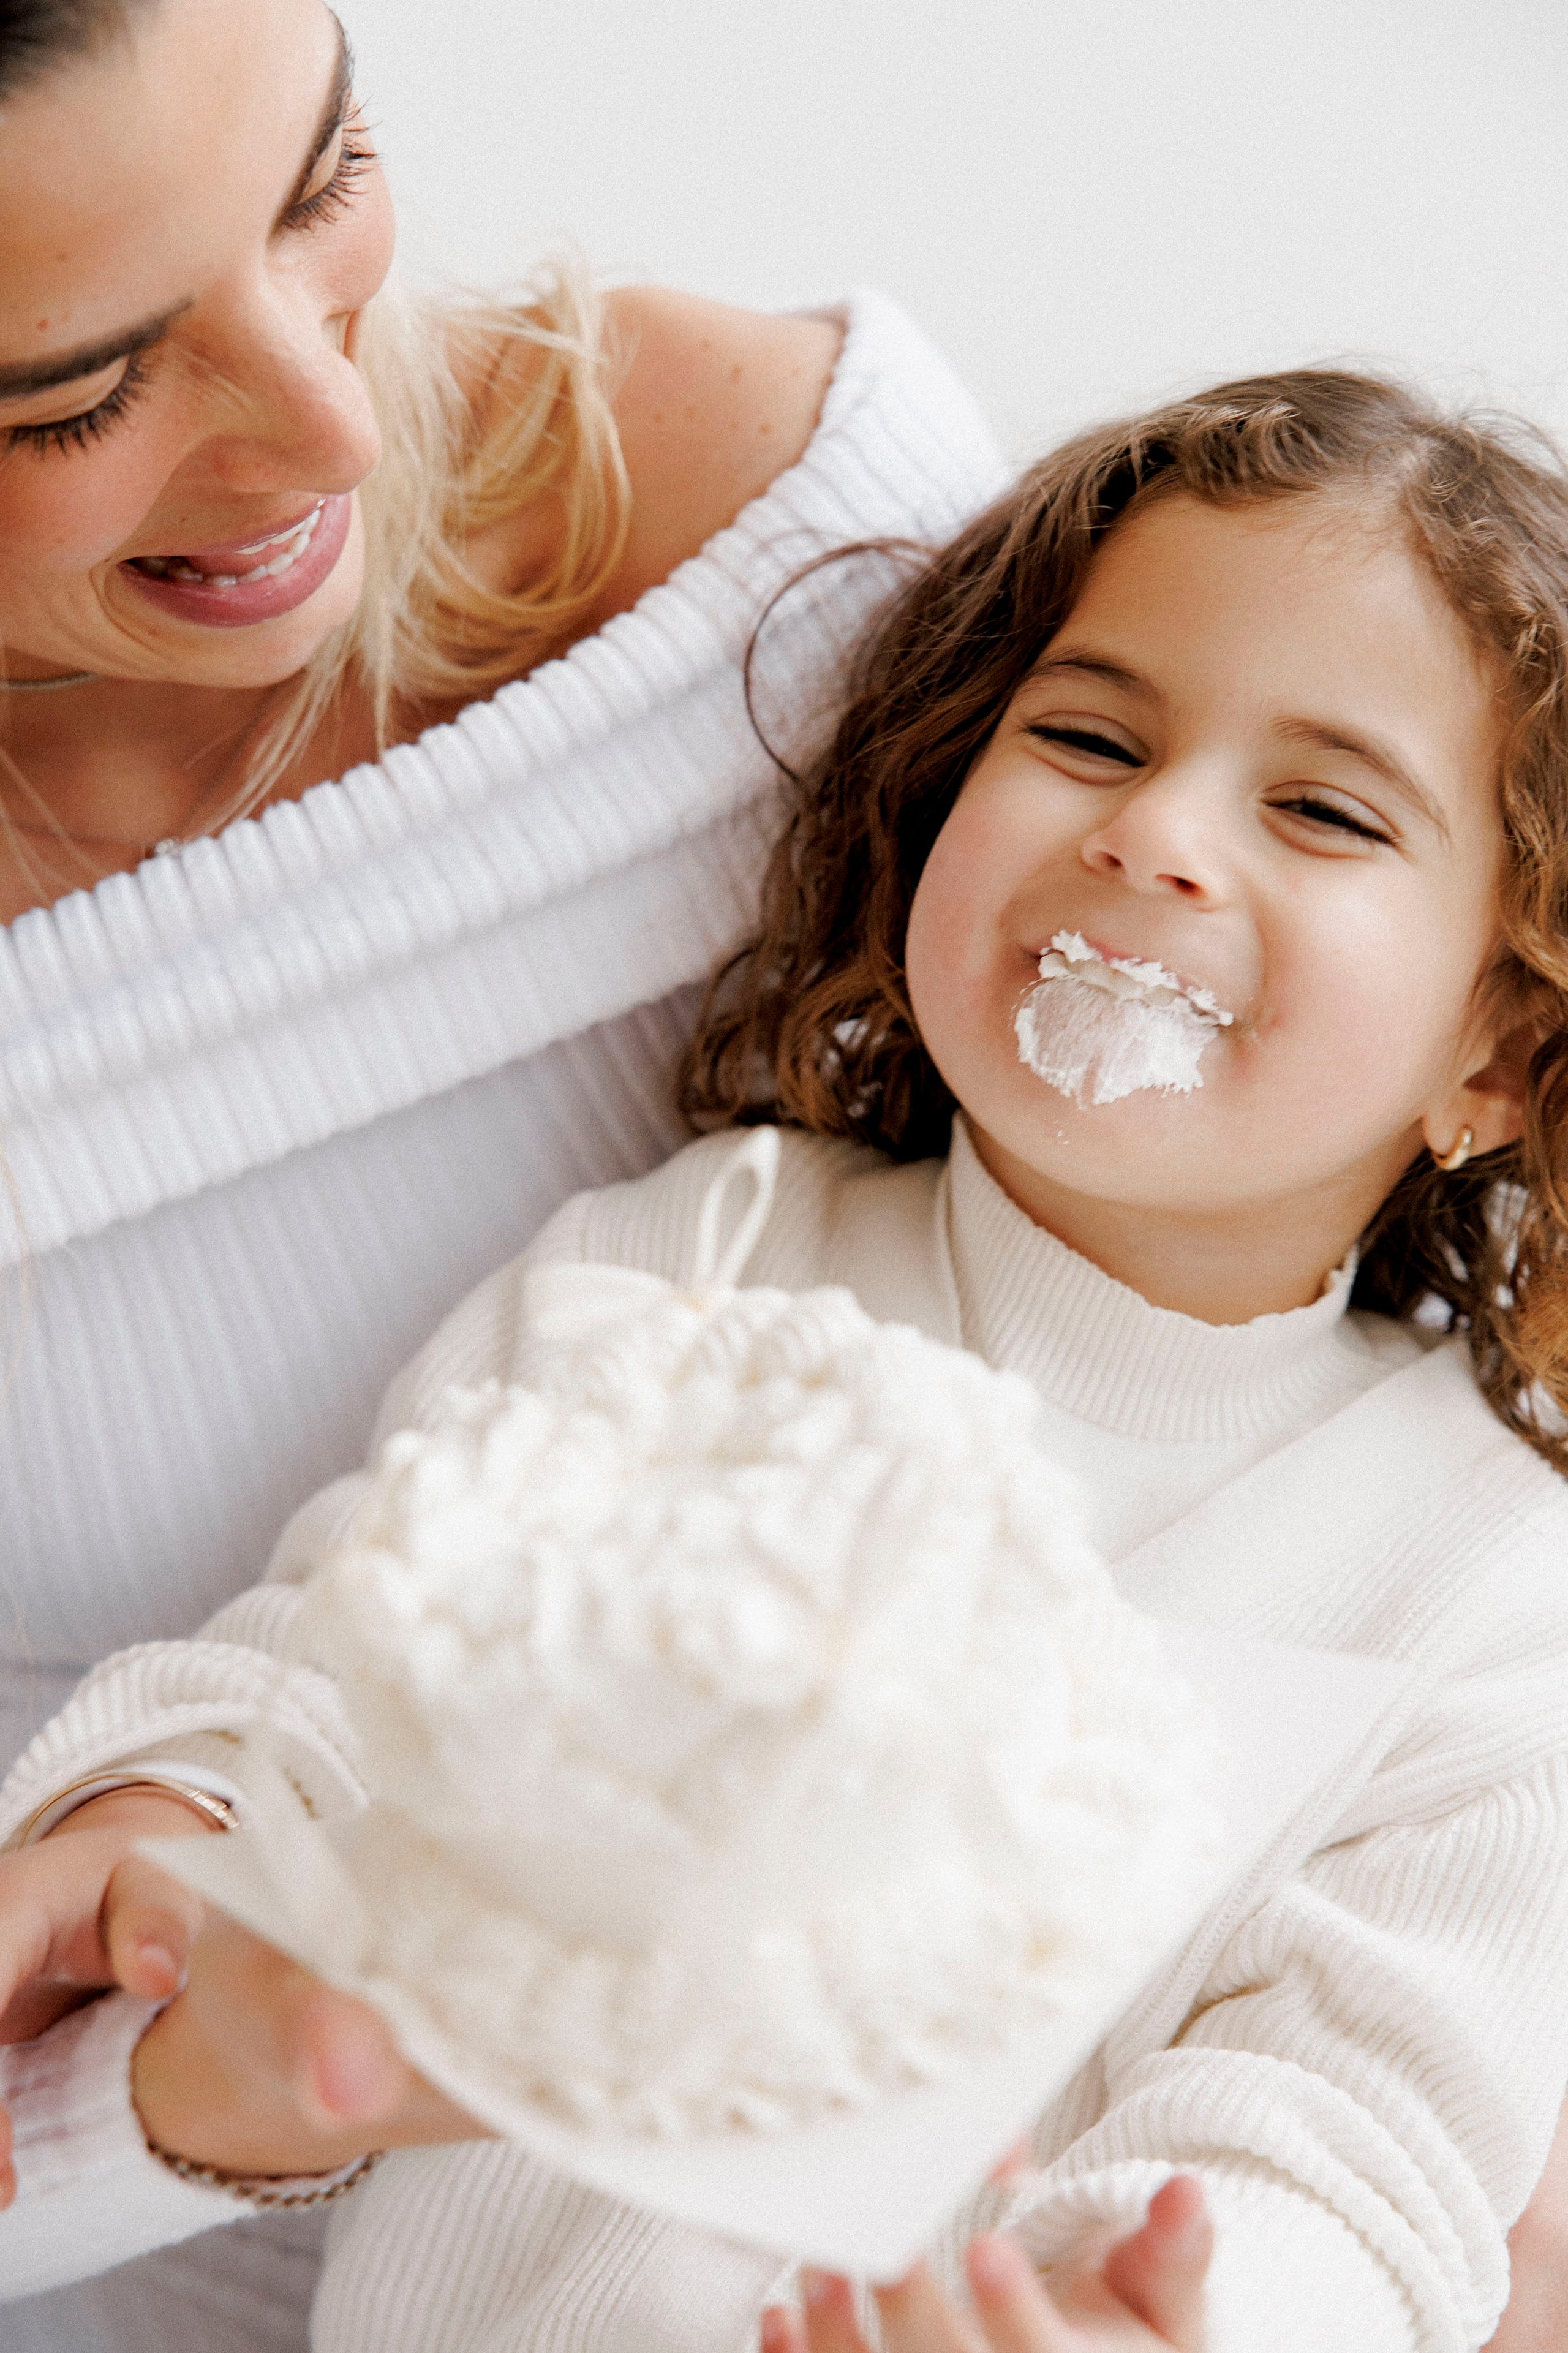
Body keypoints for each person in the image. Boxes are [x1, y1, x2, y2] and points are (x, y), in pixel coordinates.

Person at [7, 368, 1568, 2352]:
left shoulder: (1493, 1586)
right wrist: (172, 1815)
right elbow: (329, 1672)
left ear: (1499, 1053)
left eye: (1324, 809)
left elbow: (1368, 2149)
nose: (1157, 834)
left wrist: (1157, 2313)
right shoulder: (701, 1255)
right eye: (1090, 735)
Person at [0, 0, 1006, 2341]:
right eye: (69, 389)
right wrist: (194, 2099)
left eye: (323, 173)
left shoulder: (780, 544)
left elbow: (1326, 1333)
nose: (335, 419)